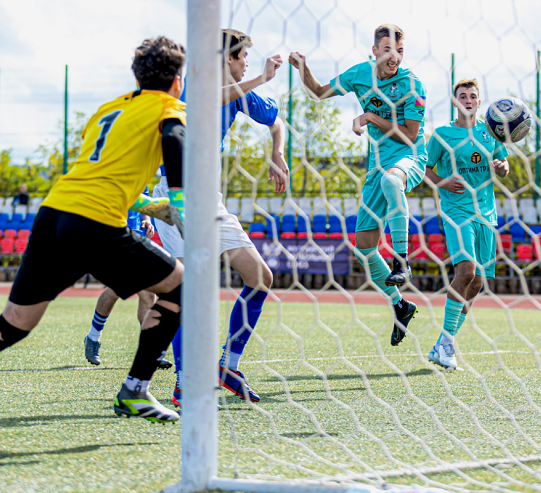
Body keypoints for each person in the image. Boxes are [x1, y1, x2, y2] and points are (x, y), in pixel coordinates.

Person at [0, 36, 188, 439]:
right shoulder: (169, 107)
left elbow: (98, 175)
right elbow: (175, 141)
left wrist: (153, 207)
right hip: (95, 222)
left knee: (15, 322)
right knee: (182, 286)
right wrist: (179, 201)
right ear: (178, 79)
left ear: (137, 76)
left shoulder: (110, 110)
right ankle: (136, 390)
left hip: (56, 215)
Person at [84, 29, 288, 407]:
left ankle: (228, 366)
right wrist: (260, 78)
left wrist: (277, 153)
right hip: (174, 196)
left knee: (260, 276)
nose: (246, 64)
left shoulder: (241, 95)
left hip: (209, 198)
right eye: (242, 58)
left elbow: (276, 122)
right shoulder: (193, 85)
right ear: (226, 59)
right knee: (185, 289)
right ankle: (183, 381)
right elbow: (215, 98)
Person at [289, 24, 420, 346]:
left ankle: (402, 262)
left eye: (400, 52)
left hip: (410, 157)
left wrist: (370, 118)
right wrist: (303, 68)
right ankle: (399, 304)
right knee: (364, 247)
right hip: (377, 166)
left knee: (393, 181)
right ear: (374, 51)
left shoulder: (412, 83)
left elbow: (411, 135)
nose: (395, 58)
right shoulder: (359, 74)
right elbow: (318, 92)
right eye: (388, 50)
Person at [423, 79, 509, 370]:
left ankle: (443, 343)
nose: (468, 100)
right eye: (463, 96)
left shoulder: (490, 132)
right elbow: (424, 166)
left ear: (479, 102)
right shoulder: (443, 134)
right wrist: (441, 182)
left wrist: (502, 167)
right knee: (466, 269)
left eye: (473, 96)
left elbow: (504, 164)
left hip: (486, 214)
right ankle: (446, 344)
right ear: (454, 100)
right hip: (456, 212)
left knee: (478, 282)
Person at [84, 185, 169, 369]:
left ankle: (150, 350)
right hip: (114, 235)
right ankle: (93, 338)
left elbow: (143, 199)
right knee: (118, 288)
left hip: (136, 236)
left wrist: (147, 220)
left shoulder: (142, 170)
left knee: (147, 294)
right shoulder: (113, 166)